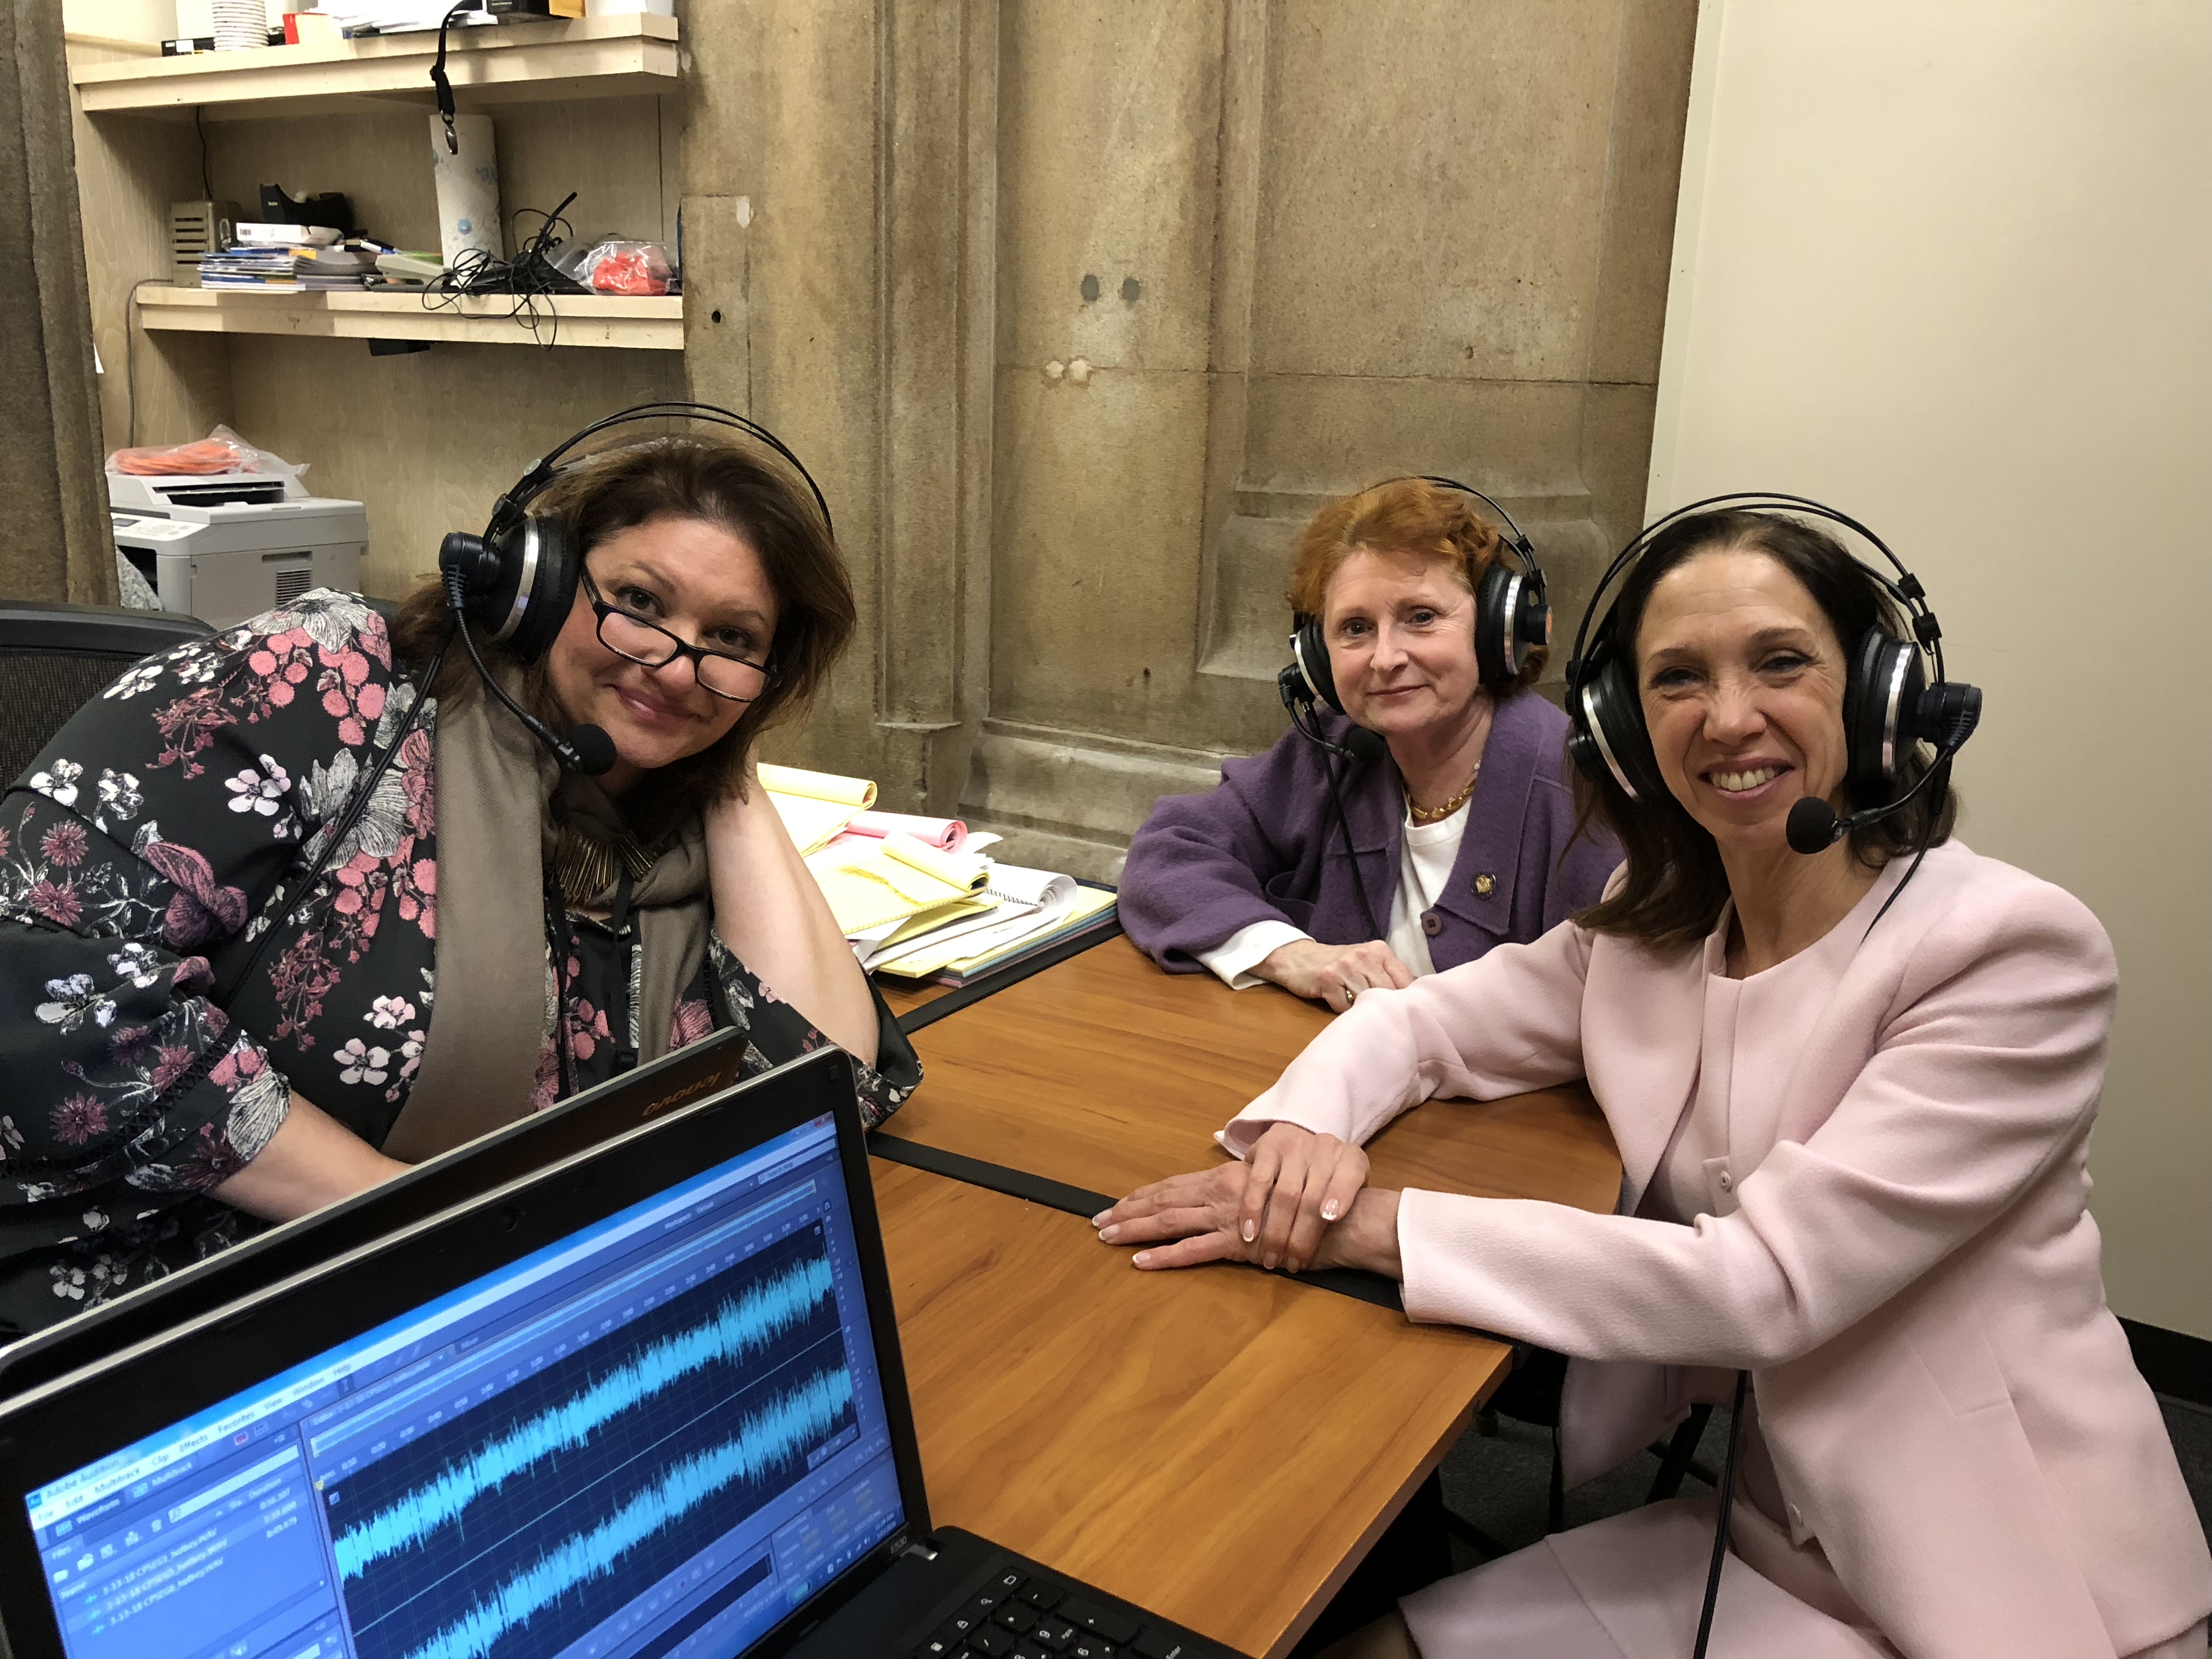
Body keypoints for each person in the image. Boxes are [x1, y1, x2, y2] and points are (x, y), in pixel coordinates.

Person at [1093, 509, 2212, 1657]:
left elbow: (1763, 1286)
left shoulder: (2012, 950)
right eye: (1677, 678)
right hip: (1768, 1534)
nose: (1729, 718)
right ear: (1626, 727)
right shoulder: (1649, 940)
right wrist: (1302, 1136)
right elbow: (1425, 1024)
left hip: (2015, 1584)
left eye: (1780, 662)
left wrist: (1367, 1227)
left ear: (1879, 693)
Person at [0, 430, 921, 1338]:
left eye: (730, 636)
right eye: (639, 600)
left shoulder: (676, 813)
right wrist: (424, 1221)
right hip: (156, 1299)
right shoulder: (333, 679)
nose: (673, 660)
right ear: (536, 582)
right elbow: (43, 975)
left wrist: (734, 758)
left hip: (468, 1312)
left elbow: (823, 1088)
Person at [1120, 477, 1618, 1013]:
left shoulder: (1581, 787)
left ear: (1498, 626)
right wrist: (1291, 954)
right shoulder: (1330, 751)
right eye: (1356, 628)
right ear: (1317, 656)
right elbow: (1166, 854)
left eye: (1421, 618)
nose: (1385, 658)